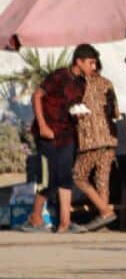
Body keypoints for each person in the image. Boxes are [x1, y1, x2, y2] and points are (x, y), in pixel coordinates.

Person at [24, 43, 94, 233]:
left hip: (67, 134)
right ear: (79, 61)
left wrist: (78, 115)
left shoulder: (82, 83)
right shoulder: (59, 76)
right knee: (49, 178)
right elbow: (37, 96)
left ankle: (64, 223)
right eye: (91, 63)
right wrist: (43, 125)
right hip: (48, 135)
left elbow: (72, 107)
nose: (93, 67)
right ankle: (35, 217)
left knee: (65, 177)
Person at [72, 55, 119, 231]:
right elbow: (115, 112)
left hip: (91, 140)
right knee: (102, 179)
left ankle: (105, 212)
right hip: (109, 139)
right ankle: (102, 219)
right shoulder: (107, 83)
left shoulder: (79, 85)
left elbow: (74, 109)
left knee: (79, 176)